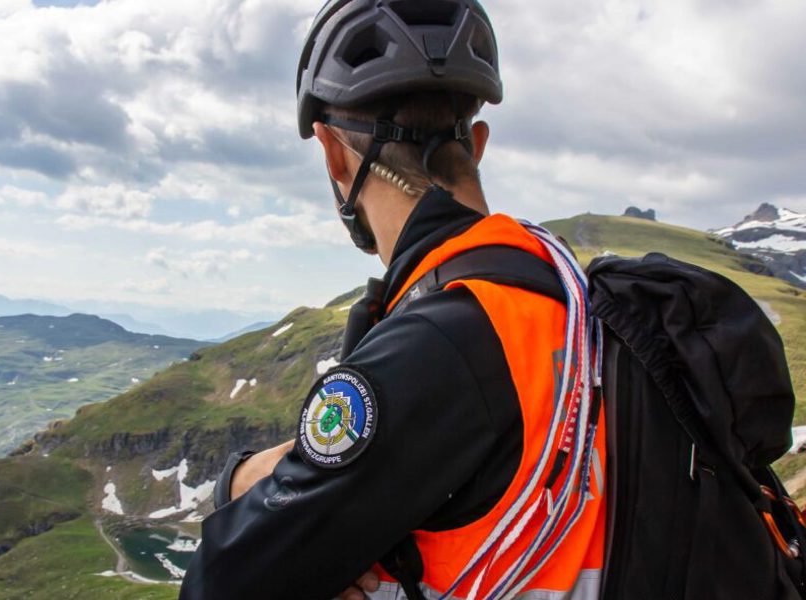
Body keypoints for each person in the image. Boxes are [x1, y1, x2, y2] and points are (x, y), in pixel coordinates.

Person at [180, 1, 607, 598]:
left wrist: (235, 483)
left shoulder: (442, 341)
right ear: (477, 144)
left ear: (332, 153)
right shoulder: (571, 295)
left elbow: (216, 586)